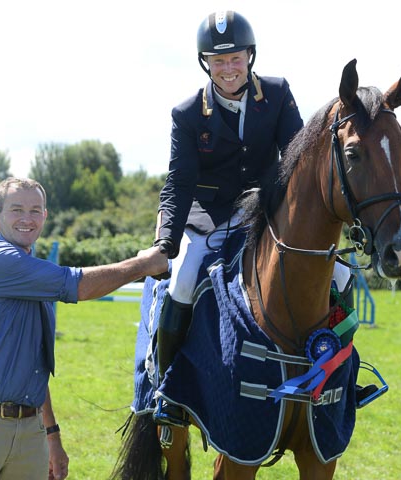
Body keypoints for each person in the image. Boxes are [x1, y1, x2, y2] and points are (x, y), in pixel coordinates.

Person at [0, 177, 168, 480]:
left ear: (45, 217)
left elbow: (34, 364)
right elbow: (76, 284)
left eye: (36, 211)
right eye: (17, 209)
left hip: (28, 427)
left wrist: (51, 434)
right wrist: (143, 265)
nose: (27, 218)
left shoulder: (31, 271)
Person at [151, 10, 305, 427]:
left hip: (266, 208)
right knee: (182, 279)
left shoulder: (276, 93)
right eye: (218, 61)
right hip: (209, 214)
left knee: (339, 275)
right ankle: (166, 387)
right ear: (206, 63)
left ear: (250, 56)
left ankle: (337, 375)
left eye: (235, 58)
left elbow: (297, 158)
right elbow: (179, 182)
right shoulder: (186, 114)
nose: (228, 69)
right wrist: (166, 242)